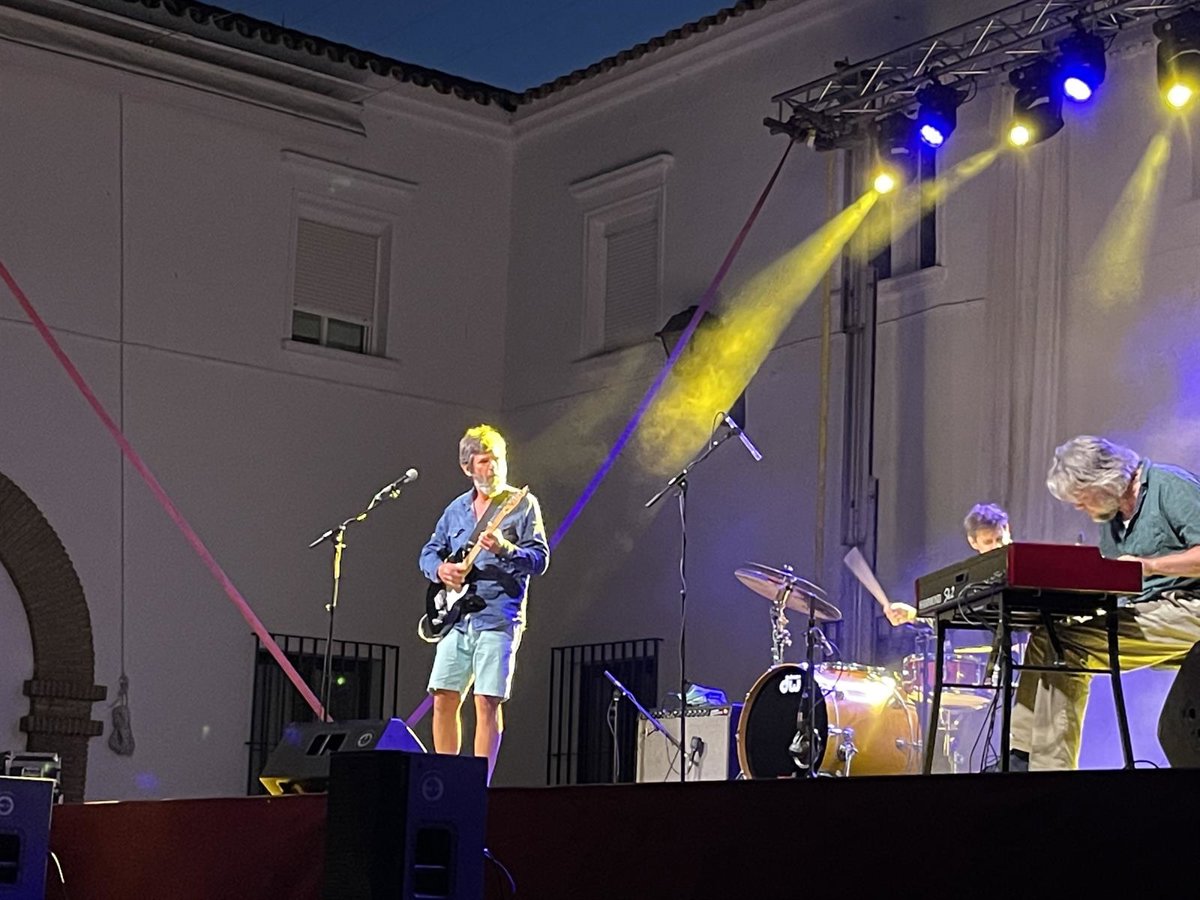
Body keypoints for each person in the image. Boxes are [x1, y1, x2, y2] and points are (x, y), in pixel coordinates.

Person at [1006, 435, 1200, 770]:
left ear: (1103, 479)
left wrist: (1151, 565)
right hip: (1151, 611)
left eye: (1081, 498)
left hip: (1191, 608)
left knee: (1068, 646)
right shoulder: (1112, 521)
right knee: (1045, 637)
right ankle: (1020, 757)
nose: (1078, 507)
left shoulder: (1170, 487)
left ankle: (1051, 774)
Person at [419, 424, 549, 783]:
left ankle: (478, 786)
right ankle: (446, 779)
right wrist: (441, 570)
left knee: (486, 700)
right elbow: (429, 552)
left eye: (497, 460)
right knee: (443, 697)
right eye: (484, 462)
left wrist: (505, 549)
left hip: (498, 617)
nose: (493, 468)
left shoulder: (521, 505)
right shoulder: (456, 510)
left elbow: (540, 559)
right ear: (468, 467)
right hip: (457, 618)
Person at [883, 502, 1012, 626]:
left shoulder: (1020, 566)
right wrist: (913, 615)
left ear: (1007, 530)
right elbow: (951, 619)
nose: (997, 546)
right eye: (988, 542)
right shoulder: (970, 579)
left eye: (1000, 539)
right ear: (973, 542)